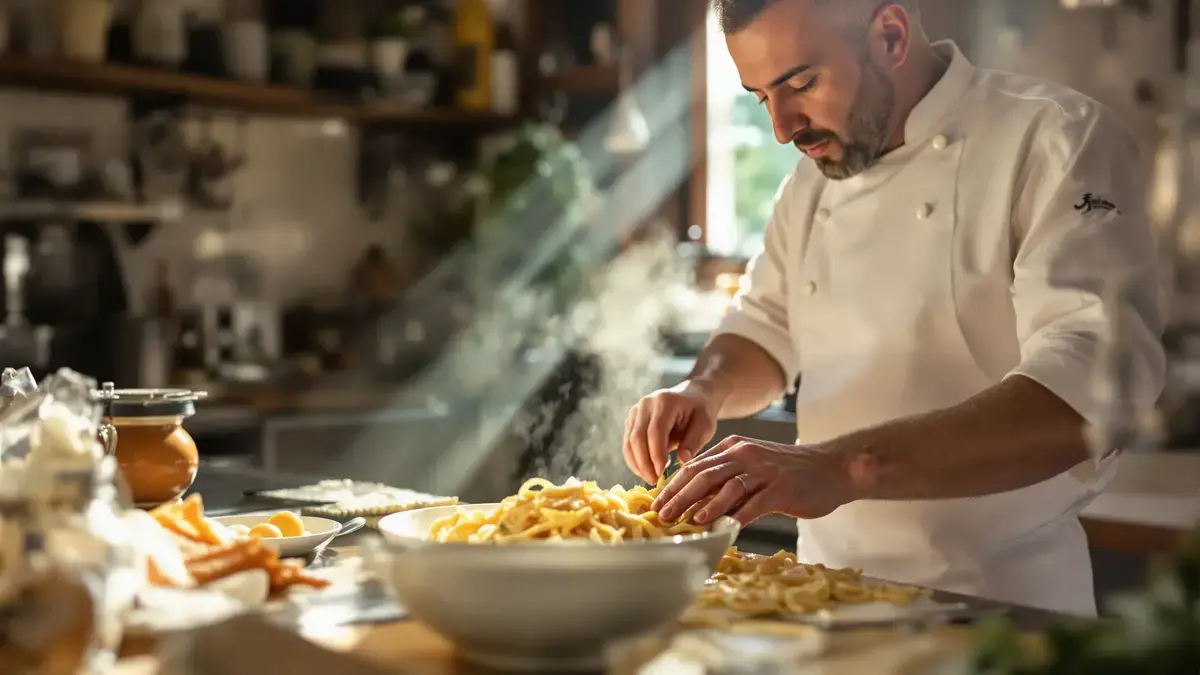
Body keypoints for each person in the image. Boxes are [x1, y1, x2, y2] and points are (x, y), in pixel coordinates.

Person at [621, 0, 1165, 616]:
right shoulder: (808, 184)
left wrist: (839, 467)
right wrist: (704, 390)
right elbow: (765, 326)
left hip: (998, 614)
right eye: (760, 96)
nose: (782, 127)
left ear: (890, 33)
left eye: (801, 83)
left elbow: (1088, 392)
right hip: (820, 604)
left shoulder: (1057, 140)